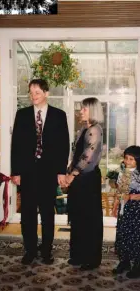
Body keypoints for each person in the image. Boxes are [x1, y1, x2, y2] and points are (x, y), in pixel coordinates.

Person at [11, 79, 70, 265]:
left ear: (46, 93)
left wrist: (61, 172)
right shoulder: (22, 114)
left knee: (47, 214)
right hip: (27, 172)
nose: (33, 96)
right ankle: (29, 250)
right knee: (27, 214)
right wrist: (16, 172)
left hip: (49, 172)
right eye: (30, 92)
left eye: (37, 92)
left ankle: (46, 251)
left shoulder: (59, 115)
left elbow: (64, 145)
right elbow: (16, 146)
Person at [66, 97, 104, 270]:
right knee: (78, 217)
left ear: (93, 111)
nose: (81, 111)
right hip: (79, 178)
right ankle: (78, 255)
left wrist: (72, 174)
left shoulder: (95, 130)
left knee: (89, 219)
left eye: (84, 109)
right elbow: (75, 153)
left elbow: (87, 157)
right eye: (81, 109)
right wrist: (69, 171)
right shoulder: (84, 128)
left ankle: (91, 259)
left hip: (87, 180)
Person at [112, 146, 140, 279]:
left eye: (131, 159)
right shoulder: (122, 172)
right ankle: (125, 261)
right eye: (126, 158)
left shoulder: (139, 175)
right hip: (125, 209)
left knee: (135, 236)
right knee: (123, 234)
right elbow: (120, 192)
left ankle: (138, 265)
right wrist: (115, 206)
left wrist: (131, 197)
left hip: (136, 210)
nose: (127, 161)